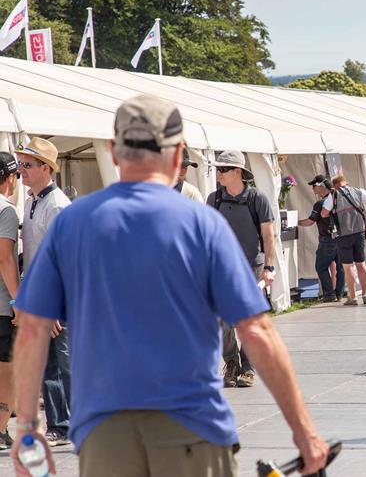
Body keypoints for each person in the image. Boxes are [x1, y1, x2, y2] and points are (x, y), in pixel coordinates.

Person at [10, 94, 329, 475]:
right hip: (192, 427)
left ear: (113, 151)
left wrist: (28, 430)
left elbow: (31, 329)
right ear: (178, 155)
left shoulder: (72, 223)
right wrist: (304, 431)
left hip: (104, 431)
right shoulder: (203, 226)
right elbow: (257, 332)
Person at [16, 137, 73, 447]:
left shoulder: (58, 205)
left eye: (27, 164)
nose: (22, 169)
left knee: (66, 363)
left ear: (45, 168)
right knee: (49, 363)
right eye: (21, 163)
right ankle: (60, 425)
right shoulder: (32, 200)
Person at [207, 150, 276, 388]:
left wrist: (269, 267)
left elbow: (268, 236)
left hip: (252, 268)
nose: (219, 173)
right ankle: (231, 363)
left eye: (224, 169)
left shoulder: (257, 198)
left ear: (238, 171)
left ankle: (247, 367)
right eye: (218, 168)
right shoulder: (214, 199)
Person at [321, 175, 366, 306]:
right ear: (345, 183)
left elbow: (324, 213)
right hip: (359, 231)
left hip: (343, 234)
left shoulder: (333, 195)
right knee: (361, 264)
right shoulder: (357, 191)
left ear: (334, 185)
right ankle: (365, 295)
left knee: (348, 267)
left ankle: (352, 297)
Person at [298, 175, 344, 302]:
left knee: (321, 267)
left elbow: (309, 222)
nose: (313, 189)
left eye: (314, 186)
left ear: (320, 186)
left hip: (328, 239)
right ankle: (339, 293)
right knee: (341, 267)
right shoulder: (340, 199)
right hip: (342, 238)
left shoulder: (320, 204)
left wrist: (295, 222)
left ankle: (329, 294)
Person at [0, 153, 19, 451]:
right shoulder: (6, 210)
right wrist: (20, 301)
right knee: (8, 372)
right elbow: (4, 258)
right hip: (2, 307)